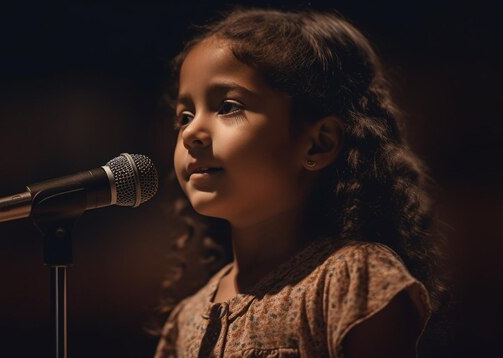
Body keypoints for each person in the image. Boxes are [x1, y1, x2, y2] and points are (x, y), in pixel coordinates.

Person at [153, 7, 448, 358]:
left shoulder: (351, 282)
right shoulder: (185, 321)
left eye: (228, 106)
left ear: (318, 143)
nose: (191, 133)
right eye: (185, 116)